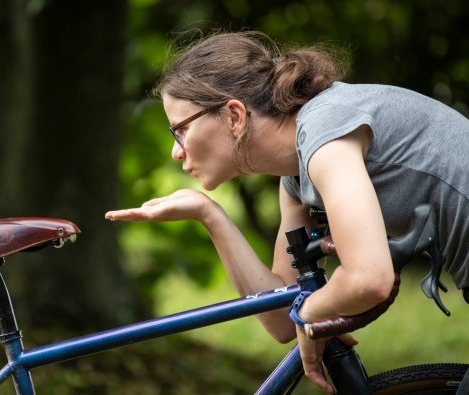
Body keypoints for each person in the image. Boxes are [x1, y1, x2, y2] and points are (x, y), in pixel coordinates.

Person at [105, 31, 469, 394]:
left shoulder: (325, 132)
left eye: (180, 129)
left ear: (234, 115)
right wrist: (209, 215)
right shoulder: (295, 175)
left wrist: (310, 314)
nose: (176, 151)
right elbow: (281, 318)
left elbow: (368, 278)